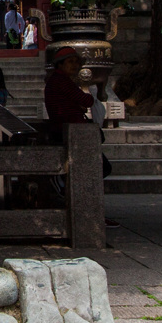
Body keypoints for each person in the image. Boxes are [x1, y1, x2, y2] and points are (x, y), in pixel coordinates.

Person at [44, 47, 117, 225]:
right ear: (60, 64)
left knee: (95, 170)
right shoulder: (61, 81)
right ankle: (65, 186)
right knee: (98, 168)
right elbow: (86, 100)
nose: (75, 66)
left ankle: (86, 209)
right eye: (70, 62)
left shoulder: (60, 81)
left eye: (76, 62)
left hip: (74, 131)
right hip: (71, 133)